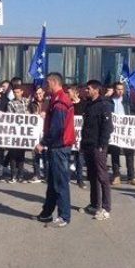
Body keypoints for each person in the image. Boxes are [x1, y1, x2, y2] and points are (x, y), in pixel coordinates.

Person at [35, 73, 76, 228]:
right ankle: (47, 213)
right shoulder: (56, 99)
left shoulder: (60, 101)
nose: (46, 86)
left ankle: (64, 216)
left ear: (54, 82)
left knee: (60, 183)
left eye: (47, 83)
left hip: (59, 147)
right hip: (57, 147)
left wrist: (43, 143)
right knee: (53, 182)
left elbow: (57, 128)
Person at [80, 80, 113, 221]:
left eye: (88, 88)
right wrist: (82, 143)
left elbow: (107, 127)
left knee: (102, 176)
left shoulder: (104, 105)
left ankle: (106, 208)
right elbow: (85, 127)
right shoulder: (89, 105)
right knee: (92, 176)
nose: (86, 91)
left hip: (98, 146)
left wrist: (102, 144)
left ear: (96, 90)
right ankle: (94, 204)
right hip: (88, 144)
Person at [109, 82, 135, 186]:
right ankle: (116, 175)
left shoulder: (127, 100)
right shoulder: (109, 101)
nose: (120, 91)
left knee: (129, 154)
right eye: (117, 89)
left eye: (121, 89)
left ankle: (131, 177)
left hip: (126, 131)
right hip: (114, 131)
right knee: (115, 154)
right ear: (114, 90)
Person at [5, 80, 29, 183]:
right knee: (13, 154)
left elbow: (31, 113)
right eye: (14, 92)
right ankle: (13, 175)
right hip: (14, 132)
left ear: (22, 92)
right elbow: (9, 116)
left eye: (18, 92)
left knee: (21, 155)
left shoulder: (27, 101)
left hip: (24, 132)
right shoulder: (11, 103)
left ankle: (21, 175)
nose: (16, 94)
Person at [67, 85, 86, 189]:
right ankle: (67, 178)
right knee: (67, 158)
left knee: (79, 158)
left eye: (69, 92)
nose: (67, 94)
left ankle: (80, 180)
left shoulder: (84, 104)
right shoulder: (67, 104)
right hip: (69, 135)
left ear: (76, 93)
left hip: (79, 136)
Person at [28, 86, 48, 183]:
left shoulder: (48, 103)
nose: (39, 95)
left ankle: (47, 175)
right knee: (35, 153)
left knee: (46, 154)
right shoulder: (32, 104)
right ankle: (36, 174)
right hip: (35, 132)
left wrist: (46, 115)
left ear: (43, 93)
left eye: (40, 93)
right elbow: (27, 116)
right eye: (37, 94)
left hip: (45, 131)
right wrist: (33, 115)